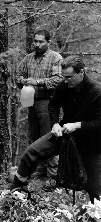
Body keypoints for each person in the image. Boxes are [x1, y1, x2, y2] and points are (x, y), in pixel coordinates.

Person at [12, 55, 101, 202]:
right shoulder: (64, 86)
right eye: (64, 77)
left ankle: (94, 218)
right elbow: (53, 104)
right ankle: (16, 190)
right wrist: (55, 124)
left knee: (95, 188)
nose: (65, 81)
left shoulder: (96, 91)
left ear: (81, 73)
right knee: (31, 153)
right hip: (65, 134)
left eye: (69, 77)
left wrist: (78, 125)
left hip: (91, 142)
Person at [17, 30, 63, 182]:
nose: (37, 44)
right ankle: (40, 170)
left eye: (40, 41)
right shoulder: (28, 58)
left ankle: (53, 175)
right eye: (35, 41)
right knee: (35, 137)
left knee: (50, 138)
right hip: (31, 101)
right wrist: (23, 81)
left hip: (48, 102)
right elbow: (18, 75)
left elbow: (58, 79)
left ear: (48, 42)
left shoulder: (55, 58)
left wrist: (38, 82)